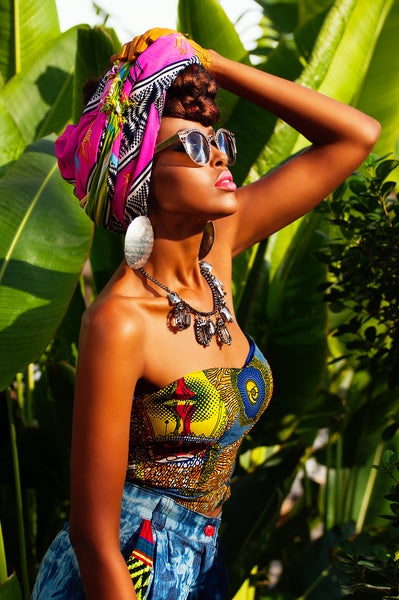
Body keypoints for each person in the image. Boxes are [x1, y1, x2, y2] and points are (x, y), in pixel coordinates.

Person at [31, 28, 380, 600]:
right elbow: (94, 537)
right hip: (126, 571)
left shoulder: (220, 247)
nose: (217, 154)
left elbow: (355, 136)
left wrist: (213, 61)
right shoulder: (120, 322)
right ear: (142, 176)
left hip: (206, 564)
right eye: (192, 147)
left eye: (217, 140)